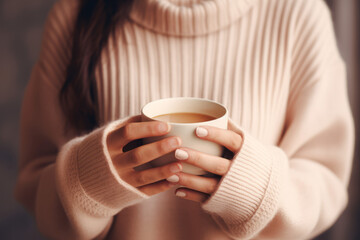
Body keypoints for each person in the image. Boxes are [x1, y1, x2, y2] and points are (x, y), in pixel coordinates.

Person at [15, 0, 354, 239]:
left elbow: (326, 181)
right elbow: (36, 181)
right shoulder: (74, 15)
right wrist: (87, 182)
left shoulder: (297, 14)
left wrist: (258, 190)